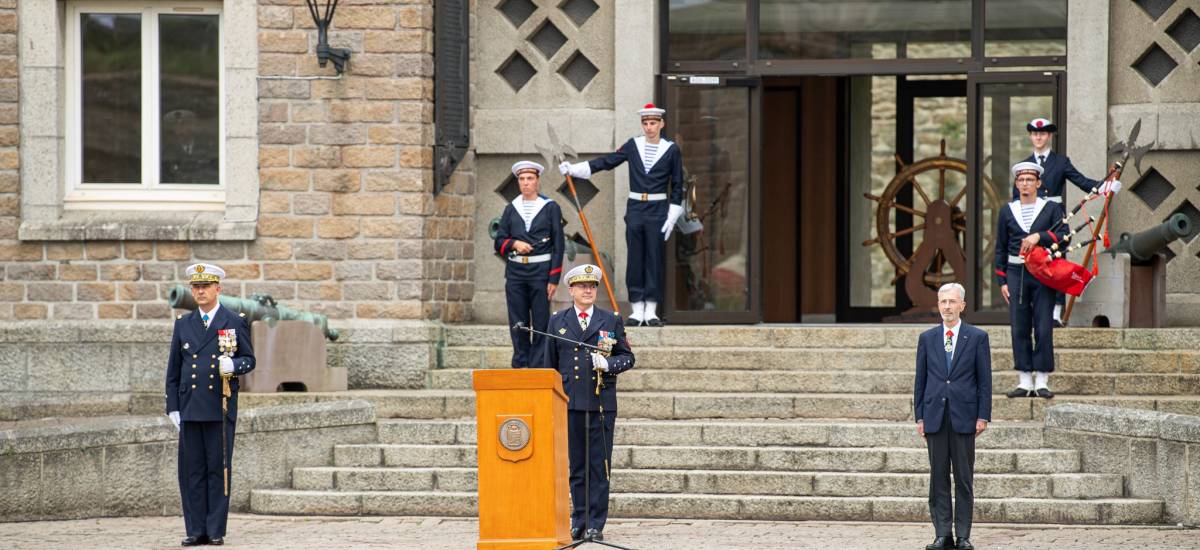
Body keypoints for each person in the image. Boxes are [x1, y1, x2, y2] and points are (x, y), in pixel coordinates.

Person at [559, 103, 685, 326]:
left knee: (654, 257)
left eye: (653, 123)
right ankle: (637, 309)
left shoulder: (671, 150)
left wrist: (673, 213)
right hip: (636, 207)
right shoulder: (633, 145)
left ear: (661, 124)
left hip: (658, 208)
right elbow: (607, 162)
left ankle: (651, 310)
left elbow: (677, 183)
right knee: (635, 257)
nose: (649, 127)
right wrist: (574, 169)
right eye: (645, 123)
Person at [165, 264, 256, 546]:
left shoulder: (234, 321)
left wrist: (235, 365)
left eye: (206, 286)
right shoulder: (184, 324)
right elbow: (174, 369)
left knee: (218, 469)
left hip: (219, 406)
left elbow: (249, 359)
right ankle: (195, 529)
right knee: (191, 470)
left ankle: (215, 529)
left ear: (218, 288)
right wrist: (172, 406)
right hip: (190, 407)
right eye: (196, 287)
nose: (200, 291)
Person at [544, 264, 635, 541]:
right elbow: (549, 367)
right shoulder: (557, 321)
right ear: (571, 290)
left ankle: (596, 523)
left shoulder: (610, 320)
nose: (588, 290)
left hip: (600, 404)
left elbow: (628, 358)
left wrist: (608, 364)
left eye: (592, 286)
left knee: (599, 466)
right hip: (570, 404)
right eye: (582, 286)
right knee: (577, 467)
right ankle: (579, 519)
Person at [1018, 117, 1121, 325]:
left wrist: (1106, 187)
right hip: (1032, 216)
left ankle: (1056, 311)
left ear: (1049, 136)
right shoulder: (1025, 165)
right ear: (1030, 136)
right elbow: (1017, 194)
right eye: (1035, 134)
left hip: (1055, 216)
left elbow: (1082, 182)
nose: (1038, 137)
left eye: (1043, 134)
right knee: (1033, 260)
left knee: (1057, 260)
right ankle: (1032, 309)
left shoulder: (1061, 162)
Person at [913, 282, 992, 550]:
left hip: (964, 416)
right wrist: (920, 416)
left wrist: (983, 415)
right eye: (943, 302)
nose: (947, 307)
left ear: (962, 305)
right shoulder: (927, 338)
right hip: (935, 416)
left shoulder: (977, 337)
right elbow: (920, 380)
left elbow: (984, 381)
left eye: (952, 301)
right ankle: (943, 534)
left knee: (963, 479)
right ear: (938, 305)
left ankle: (963, 536)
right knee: (938, 478)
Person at [996, 162, 1068, 398]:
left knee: (1044, 326)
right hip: (1016, 273)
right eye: (1021, 180)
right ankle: (1025, 380)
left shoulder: (1051, 208)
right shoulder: (1007, 211)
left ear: (1038, 183)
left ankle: (1042, 381)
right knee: (1019, 326)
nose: (1025, 184)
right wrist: (1002, 281)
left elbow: (1064, 237)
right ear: (1016, 184)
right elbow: (1001, 247)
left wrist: (1040, 236)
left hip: (1042, 272)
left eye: (1029, 180)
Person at [494, 160, 565, 368]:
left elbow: (558, 245)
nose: (525, 183)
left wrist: (554, 278)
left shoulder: (550, 207)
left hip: (541, 272)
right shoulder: (511, 208)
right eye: (522, 179)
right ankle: (520, 362)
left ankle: (539, 364)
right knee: (518, 320)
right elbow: (499, 241)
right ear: (518, 182)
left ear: (537, 181)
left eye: (530, 178)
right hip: (516, 273)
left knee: (541, 320)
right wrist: (514, 243)